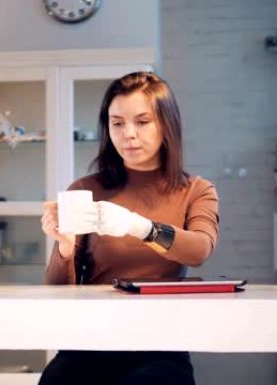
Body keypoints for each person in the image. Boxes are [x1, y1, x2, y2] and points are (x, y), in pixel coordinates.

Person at [39, 72, 219, 385]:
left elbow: (200, 249)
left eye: (142, 121)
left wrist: (139, 227)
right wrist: (64, 247)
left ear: (166, 125)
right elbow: (57, 291)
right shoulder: (85, 189)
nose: (128, 134)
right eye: (117, 123)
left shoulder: (196, 191)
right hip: (89, 343)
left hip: (160, 346)